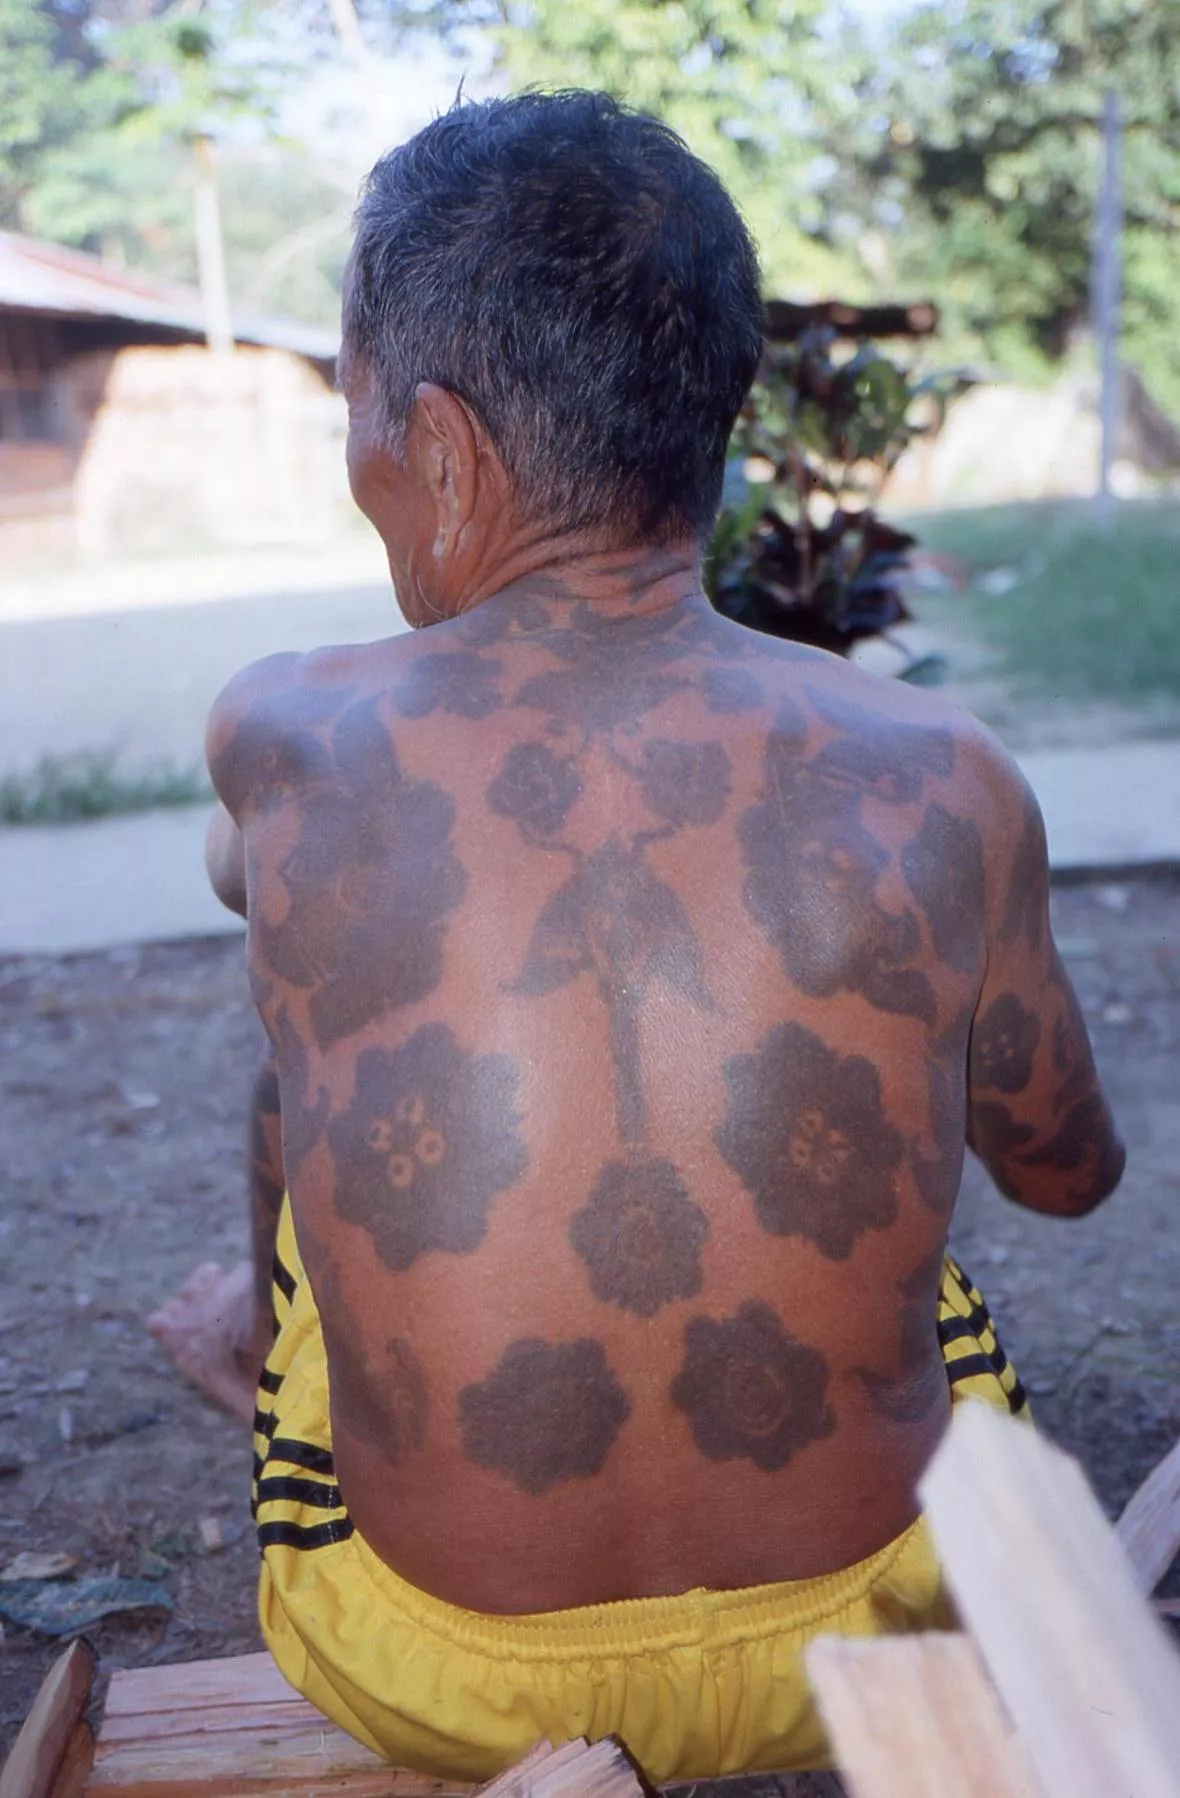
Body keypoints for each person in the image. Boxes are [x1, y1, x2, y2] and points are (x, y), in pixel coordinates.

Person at [148, 90, 1125, 1783]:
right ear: (718, 428)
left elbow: (243, 874)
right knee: (914, 1237)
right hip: (878, 1620)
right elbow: (1066, 1174)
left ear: (440, 450)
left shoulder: (290, 735)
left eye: (358, 418)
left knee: (320, 1038)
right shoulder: (948, 782)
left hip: (441, 1667)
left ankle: (266, 1321)